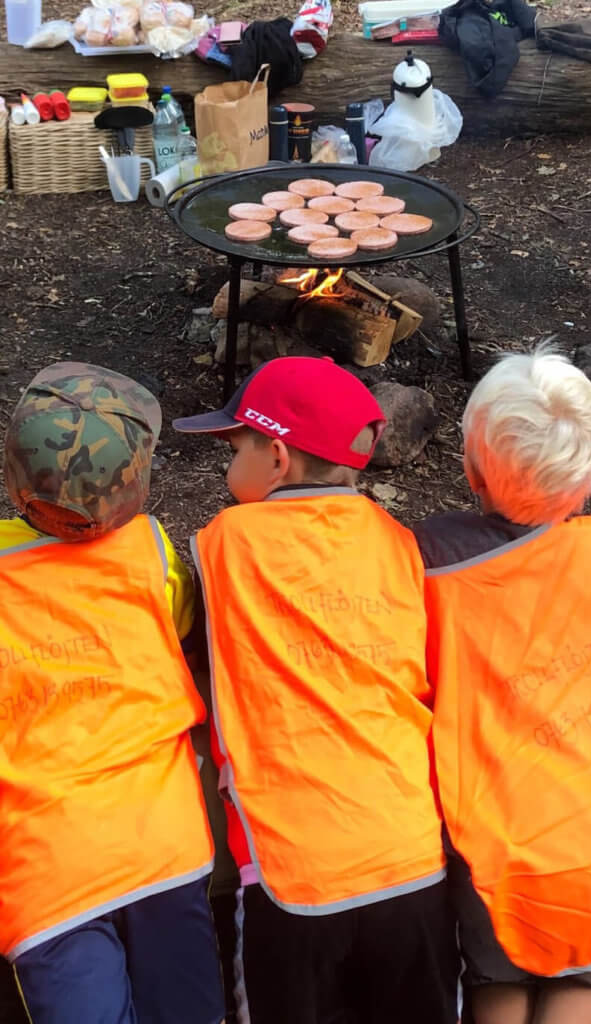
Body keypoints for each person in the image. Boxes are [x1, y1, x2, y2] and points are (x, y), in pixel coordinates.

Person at [174, 356, 458, 1024]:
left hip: (290, 873)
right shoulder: (399, 543)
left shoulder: (222, 543)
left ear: (276, 457)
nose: (226, 464)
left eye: (235, 446)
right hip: (413, 858)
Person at [414, 349, 591, 1024]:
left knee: (498, 977)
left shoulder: (425, 559)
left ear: (471, 466)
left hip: (498, 841)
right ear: (587, 482)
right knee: (585, 983)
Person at [0, 363, 225, 1024]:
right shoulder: (151, 550)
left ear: (12, 482)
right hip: (160, 839)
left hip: (44, 861)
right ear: (134, 487)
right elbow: (184, 621)